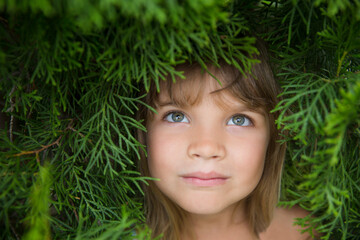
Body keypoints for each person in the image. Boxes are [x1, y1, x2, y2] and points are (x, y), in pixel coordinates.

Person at [136, 39, 313, 240]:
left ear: (272, 139)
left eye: (239, 120)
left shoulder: (303, 231)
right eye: (176, 116)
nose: (206, 147)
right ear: (143, 132)